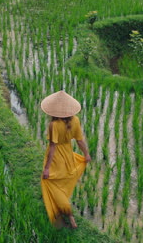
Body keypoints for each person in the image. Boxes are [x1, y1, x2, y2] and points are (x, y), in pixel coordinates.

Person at [40, 90, 91, 229]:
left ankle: (68, 213)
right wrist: (86, 154)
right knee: (62, 183)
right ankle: (66, 209)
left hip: (56, 158)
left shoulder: (54, 125)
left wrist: (46, 168)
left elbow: (52, 147)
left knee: (50, 182)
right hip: (68, 156)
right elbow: (80, 141)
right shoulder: (75, 120)